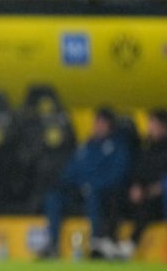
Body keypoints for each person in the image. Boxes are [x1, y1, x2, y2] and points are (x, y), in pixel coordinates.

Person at [40, 108, 131, 260]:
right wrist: (66, 184)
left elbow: (117, 176)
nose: (96, 126)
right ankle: (52, 245)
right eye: (95, 122)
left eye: (100, 123)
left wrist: (92, 185)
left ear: (109, 125)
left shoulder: (117, 147)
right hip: (79, 192)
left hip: (102, 194)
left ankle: (96, 245)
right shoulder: (87, 146)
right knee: (53, 197)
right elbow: (70, 171)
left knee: (93, 196)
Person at [119, 109, 167, 258]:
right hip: (142, 193)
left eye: (153, 124)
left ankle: (130, 245)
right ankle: (108, 240)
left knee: (147, 205)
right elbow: (137, 172)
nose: (149, 128)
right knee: (116, 197)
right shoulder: (146, 148)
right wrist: (135, 187)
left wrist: (152, 190)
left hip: (158, 197)